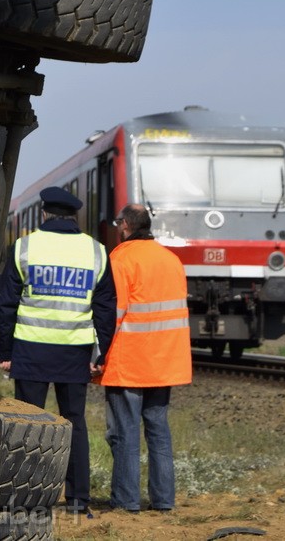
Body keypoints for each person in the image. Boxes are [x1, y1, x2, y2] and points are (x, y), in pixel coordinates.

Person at [0, 186, 116, 516]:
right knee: (74, 423)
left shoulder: (24, 247)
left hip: (30, 350)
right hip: (75, 352)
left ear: (44, 214)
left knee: (26, 424)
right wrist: (99, 356)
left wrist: (4, 350)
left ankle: (23, 501)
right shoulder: (96, 252)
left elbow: (5, 305)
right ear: (74, 216)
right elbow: (105, 311)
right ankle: (78, 502)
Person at [100, 203, 192, 512]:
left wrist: (97, 353)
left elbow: (115, 312)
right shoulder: (172, 260)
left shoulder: (120, 258)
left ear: (125, 225)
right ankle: (164, 501)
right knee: (158, 431)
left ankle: (126, 502)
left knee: (124, 433)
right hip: (164, 362)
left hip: (129, 362)